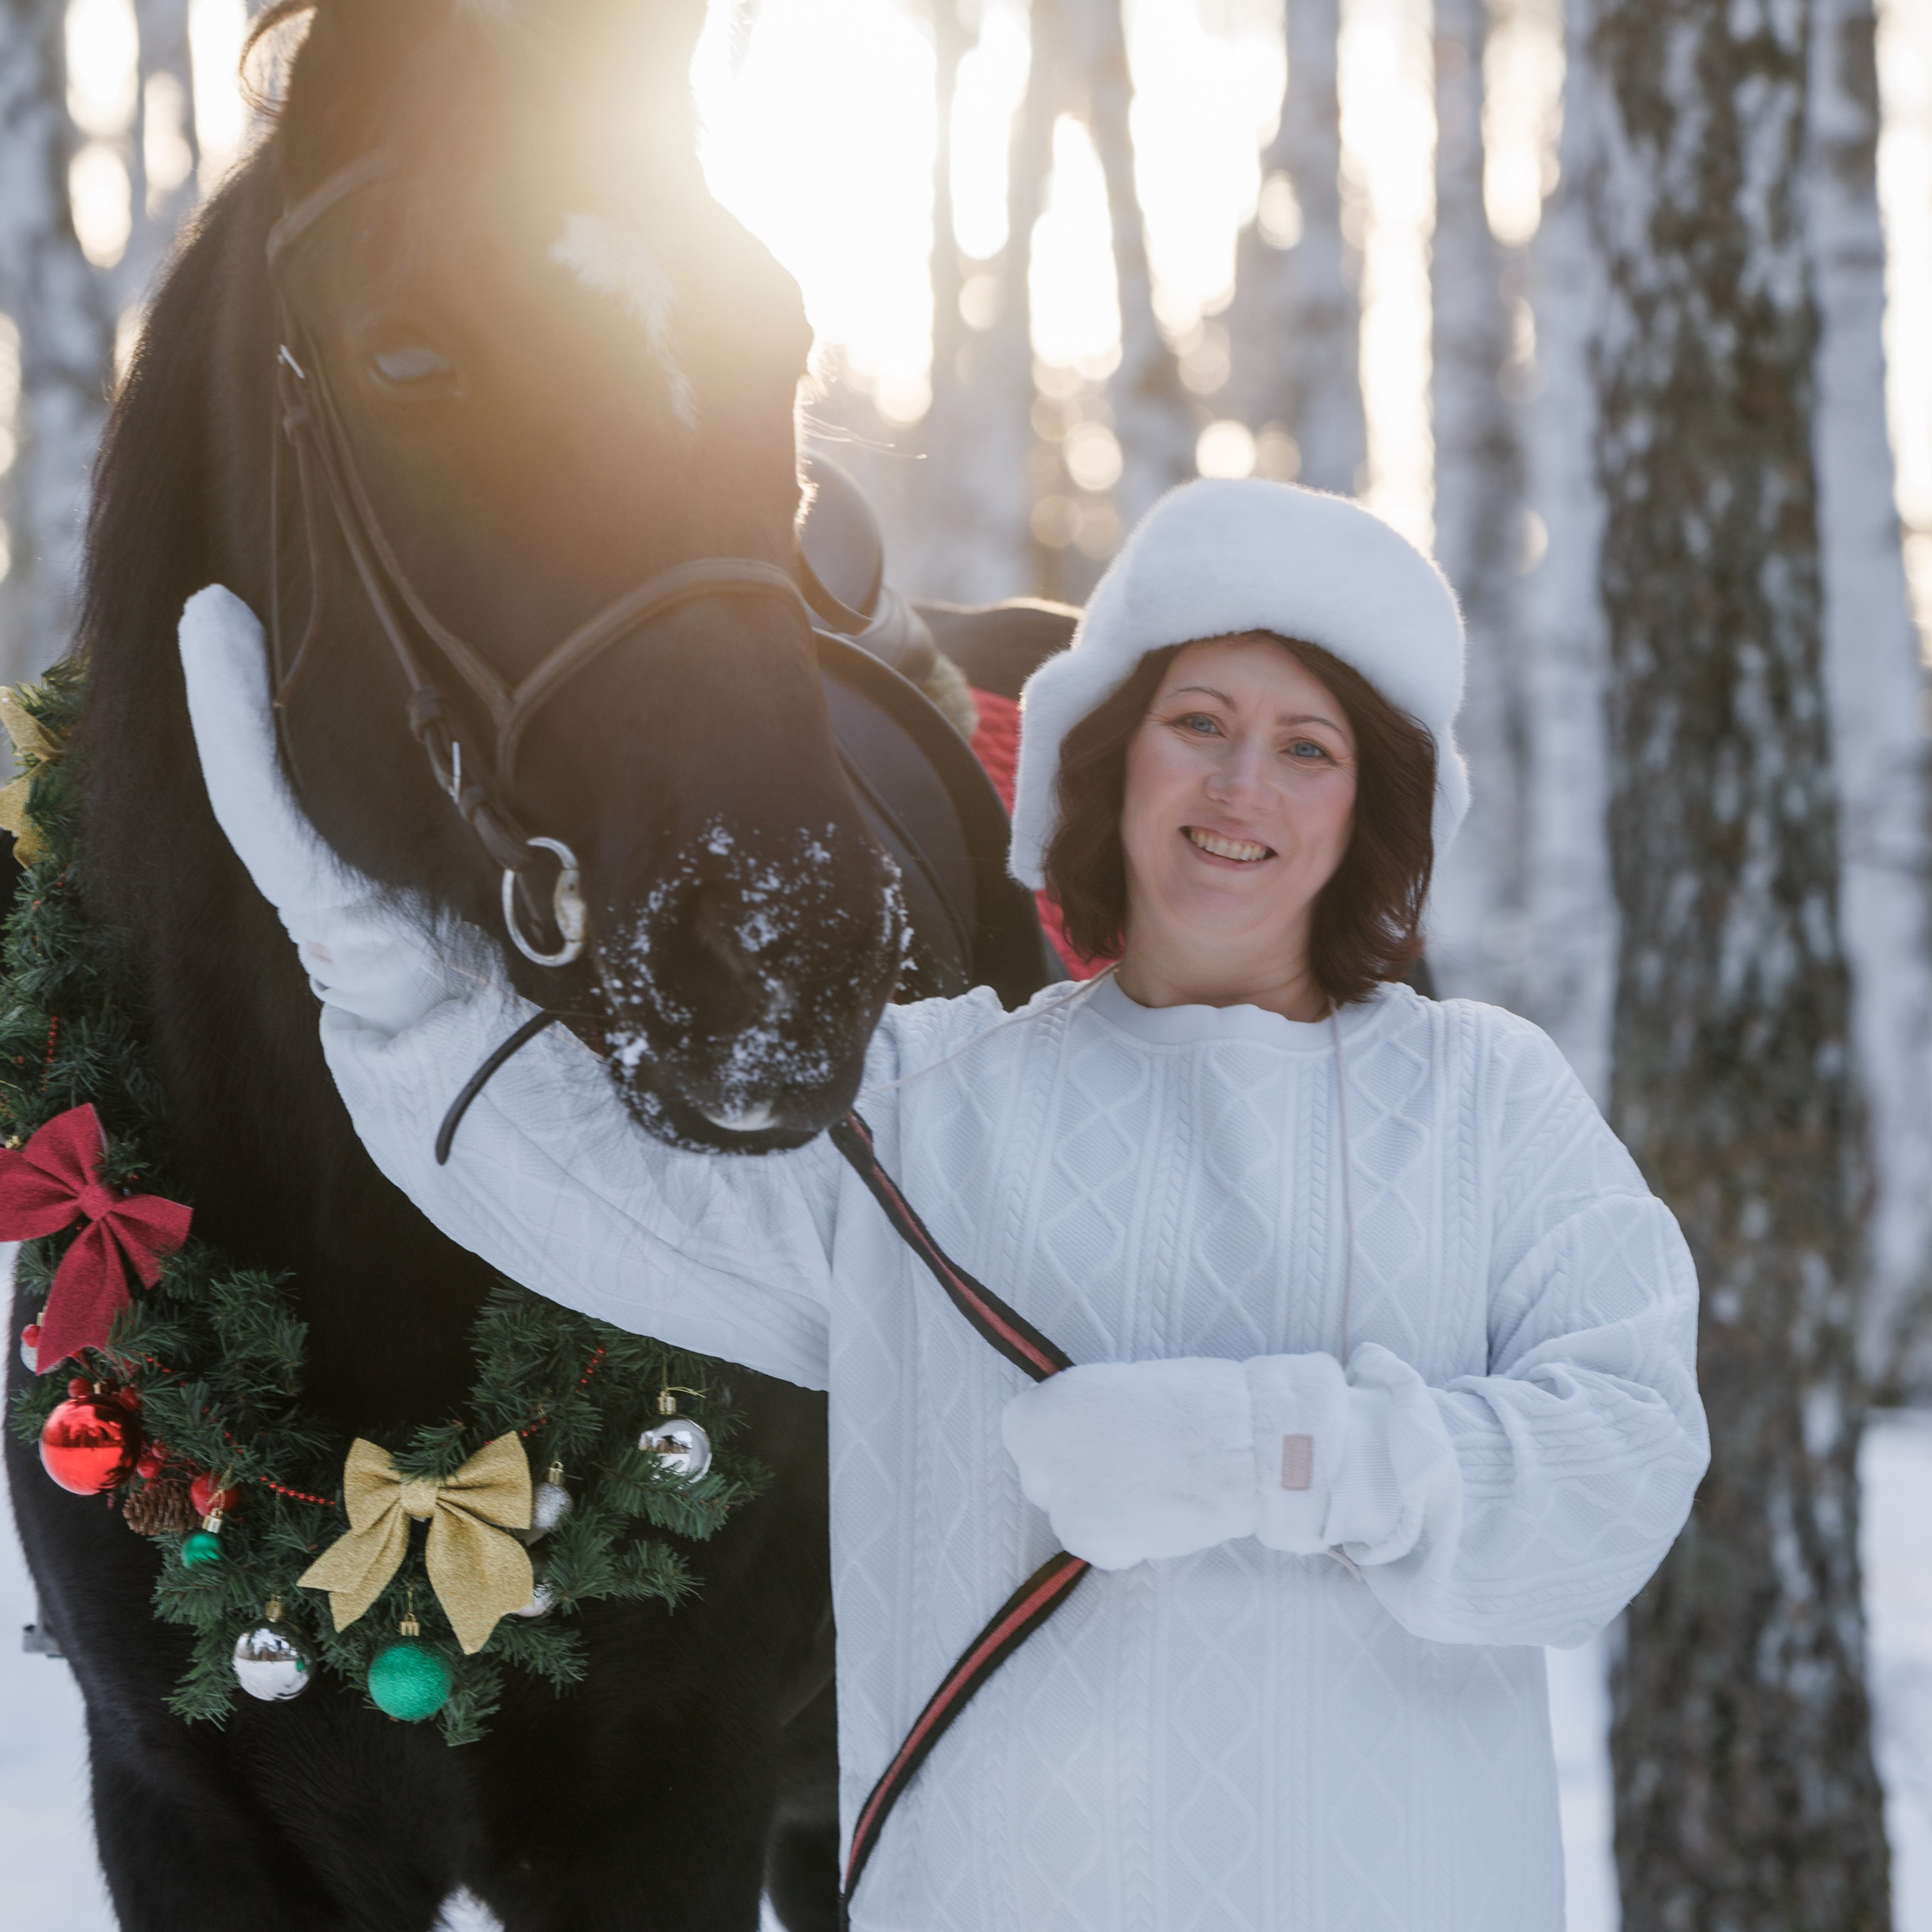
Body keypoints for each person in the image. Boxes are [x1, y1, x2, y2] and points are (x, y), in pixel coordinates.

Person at [182, 478, 1708, 1932]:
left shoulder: (1486, 1101)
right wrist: (361, 944)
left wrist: (1276, 1454)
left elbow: (1619, 1463)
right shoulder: (926, 1100)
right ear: (1107, 764)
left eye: (1307, 746)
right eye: (1197, 724)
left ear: (1369, 803)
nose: (1241, 784)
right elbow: (578, 1179)